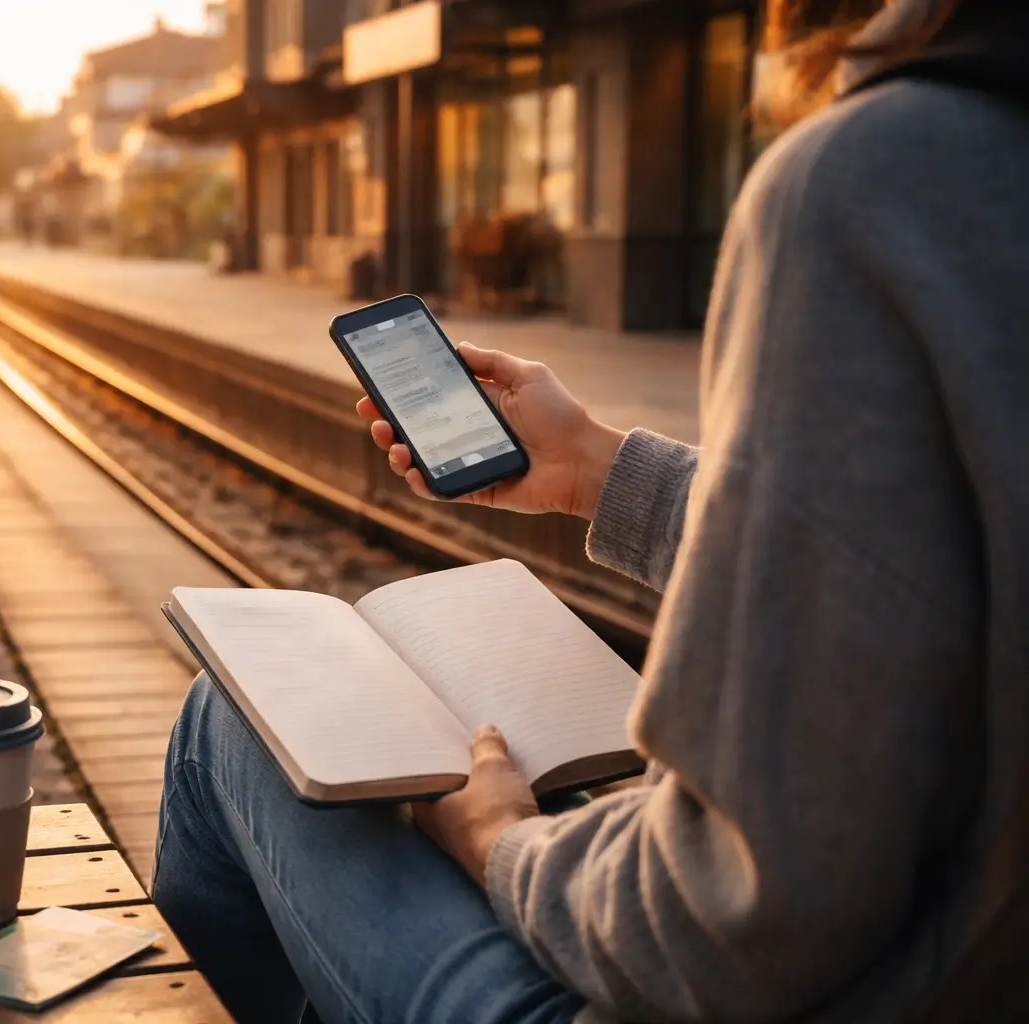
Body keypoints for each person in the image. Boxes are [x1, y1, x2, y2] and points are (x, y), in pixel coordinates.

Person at [150, 0, 1029, 1021]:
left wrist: (506, 845)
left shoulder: (876, 177)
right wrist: (595, 470)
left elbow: (739, 916)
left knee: (233, 722)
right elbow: (916, 548)